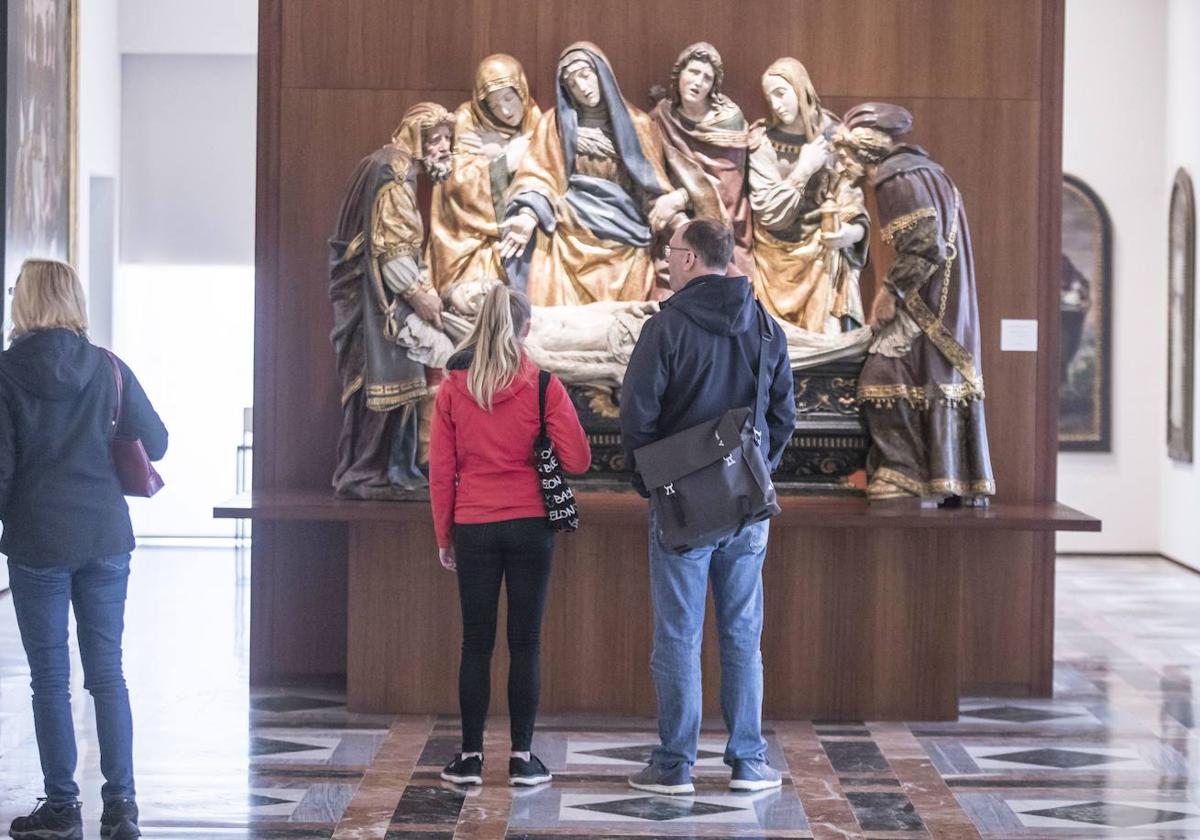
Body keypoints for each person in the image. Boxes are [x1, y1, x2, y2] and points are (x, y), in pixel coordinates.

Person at [619, 220, 796, 794]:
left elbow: (636, 416)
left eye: (671, 253)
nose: (667, 262)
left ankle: (675, 765)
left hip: (681, 511)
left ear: (691, 259)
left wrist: (655, 486)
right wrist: (756, 475)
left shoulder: (665, 328)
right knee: (743, 632)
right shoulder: (767, 328)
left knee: (678, 634)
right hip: (747, 506)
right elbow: (784, 417)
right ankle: (747, 761)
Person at [1, 259, 168, 840]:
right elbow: (159, 442)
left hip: (37, 539)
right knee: (107, 675)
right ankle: (121, 807)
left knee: (49, 677)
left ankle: (62, 807)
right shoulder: (108, 367)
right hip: (105, 536)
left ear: (24, 301)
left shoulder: (4, 372)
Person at [429, 285, 591, 787]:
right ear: (524, 330)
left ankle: (470, 758)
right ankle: (522, 758)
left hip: (474, 525)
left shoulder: (455, 387)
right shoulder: (544, 386)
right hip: (530, 526)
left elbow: (441, 469)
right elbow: (579, 460)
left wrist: (444, 535)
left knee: (475, 643)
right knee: (526, 642)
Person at [832, 103, 995, 504]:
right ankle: (945, 477)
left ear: (862, 152)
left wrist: (890, 294)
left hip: (926, 305)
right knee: (911, 377)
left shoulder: (895, 178)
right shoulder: (924, 172)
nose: (839, 167)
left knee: (879, 378)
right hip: (938, 302)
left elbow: (925, 245)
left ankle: (902, 472)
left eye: (842, 157)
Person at [328, 102, 457, 499]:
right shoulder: (394, 171)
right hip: (379, 303)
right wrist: (419, 296)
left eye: (447, 139)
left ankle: (396, 467)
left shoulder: (391, 167)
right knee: (388, 383)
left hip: (378, 298)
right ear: (416, 137)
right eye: (435, 139)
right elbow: (390, 248)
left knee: (403, 379)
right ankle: (375, 472)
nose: (443, 148)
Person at [498, 42, 678, 305]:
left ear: (601, 73)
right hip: (569, 230)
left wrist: (674, 207)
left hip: (627, 234)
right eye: (571, 83)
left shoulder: (639, 124)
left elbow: (651, 186)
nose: (581, 87)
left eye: (585, 75)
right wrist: (527, 214)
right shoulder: (554, 124)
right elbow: (538, 175)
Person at [748, 58, 868, 333]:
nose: (775, 104)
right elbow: (769, 213)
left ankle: (830, 346)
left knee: (836, 259)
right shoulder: (761, 140)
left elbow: (848, 194)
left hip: (821, 248)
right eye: (770, 97)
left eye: (781, 93)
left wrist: (851, 233)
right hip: (772, 254)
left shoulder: (833, 136)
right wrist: (803, 169)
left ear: (801, 89)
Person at [428, 54, 541, 293]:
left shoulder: (535, 118)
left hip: (523, 227)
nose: (506, 111)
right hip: (471, 238)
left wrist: (530, 213)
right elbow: (453, 185)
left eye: (509, 98)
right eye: (493, 105)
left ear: (521, 89)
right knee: (481, 296)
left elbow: (547, 176)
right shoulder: (467, 119)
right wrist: (505, 161)